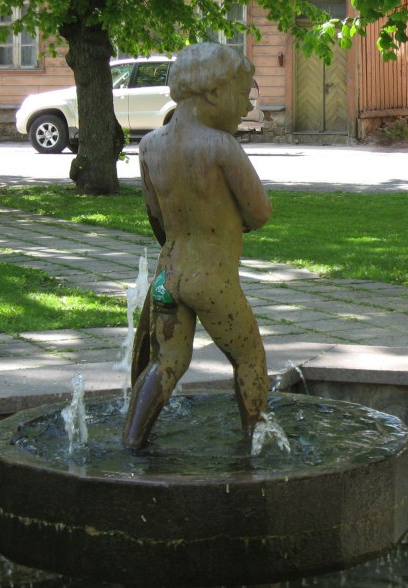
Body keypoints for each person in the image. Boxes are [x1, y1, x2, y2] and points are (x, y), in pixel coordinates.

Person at [123, 43, 272, 449]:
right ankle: (255, 445)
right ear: (212, 92)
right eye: (242, 94)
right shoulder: (221, 147)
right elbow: (259, 212)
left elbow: (155, 214)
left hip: (167, 277)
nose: (244, 108)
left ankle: (132, 441)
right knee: (249, 358)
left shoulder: (150, 145)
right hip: (212, 278)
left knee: (166, 362)